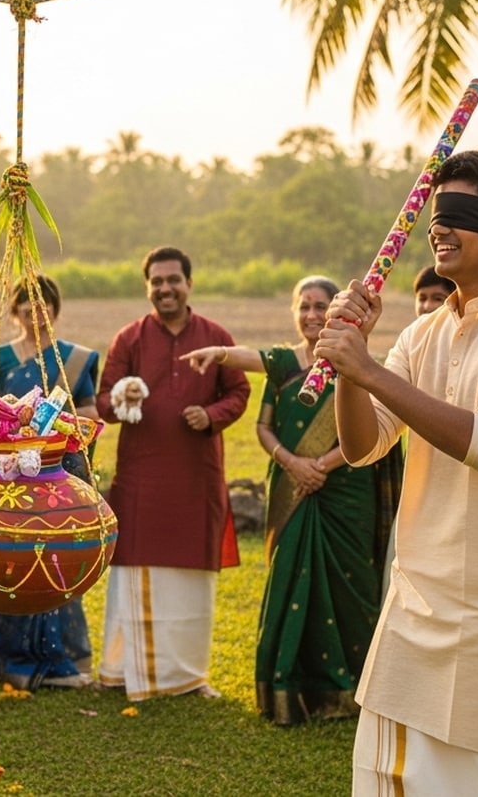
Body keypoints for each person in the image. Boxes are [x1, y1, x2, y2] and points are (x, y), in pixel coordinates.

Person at [314, 150, 478, 792]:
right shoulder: (422, 333)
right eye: (436, 215)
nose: (438, 229)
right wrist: (355, 368)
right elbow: (362, 446)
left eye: (459, 215)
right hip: (416, 601)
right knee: (394, 779)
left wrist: (368, 369)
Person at [182, 276, 403, 725]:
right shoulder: (284, 365)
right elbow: (263, 421)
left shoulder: (355, 363)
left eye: (321, 306)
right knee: (289, 580)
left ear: (338, 311)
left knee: (351, 584)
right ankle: (287, 687)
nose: (312, 315)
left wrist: (322, 464)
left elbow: (373, 431)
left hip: (345, 490)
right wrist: (292, 461)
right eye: (304, 306)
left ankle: (350, 691)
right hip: (291, 488)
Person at [94, 246, 251, 700]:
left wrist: (213, 414)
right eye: (156, 281)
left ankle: (187, 676)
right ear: (148, 287)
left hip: (195, 476)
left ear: (189, 284)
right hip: (141, 479)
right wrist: (123, 397)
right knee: (135, 571)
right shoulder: (130, 338)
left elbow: (239, 391)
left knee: (190, 585)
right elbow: (104, 402)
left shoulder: (215, 335)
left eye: (172, 280)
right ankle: (127, 671)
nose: (165, 288)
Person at [0, 274, 100, 690]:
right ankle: (13, 663)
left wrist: (49, 427)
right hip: (10, 481)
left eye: (45, 303)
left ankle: (62, 662)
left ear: (56, 308)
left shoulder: (73, 359)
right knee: (10, 561)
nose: (37, 311)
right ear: (14, 309)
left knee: (57, 562)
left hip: (58, 474)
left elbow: (88, 415)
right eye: (27, 303)